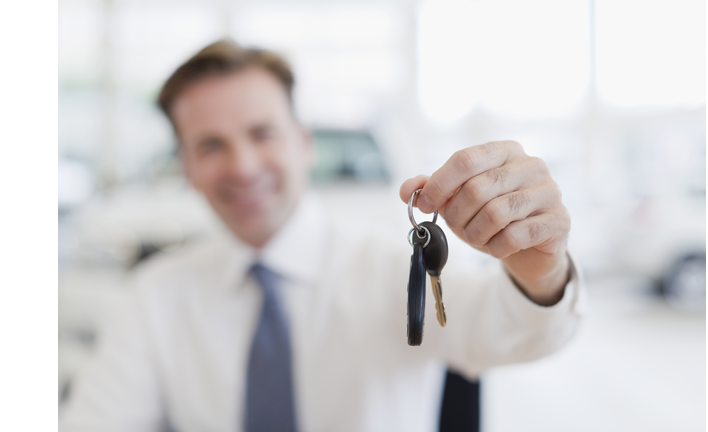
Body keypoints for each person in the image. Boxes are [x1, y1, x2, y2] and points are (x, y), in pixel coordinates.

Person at [59, 40, 585, 432]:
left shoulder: (388, 265)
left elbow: (517, 330)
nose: (242, 166)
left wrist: (540, 266)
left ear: (304, 144)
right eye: (211, 145)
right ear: (187, 168)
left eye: (262, 133)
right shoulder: (155, 296)